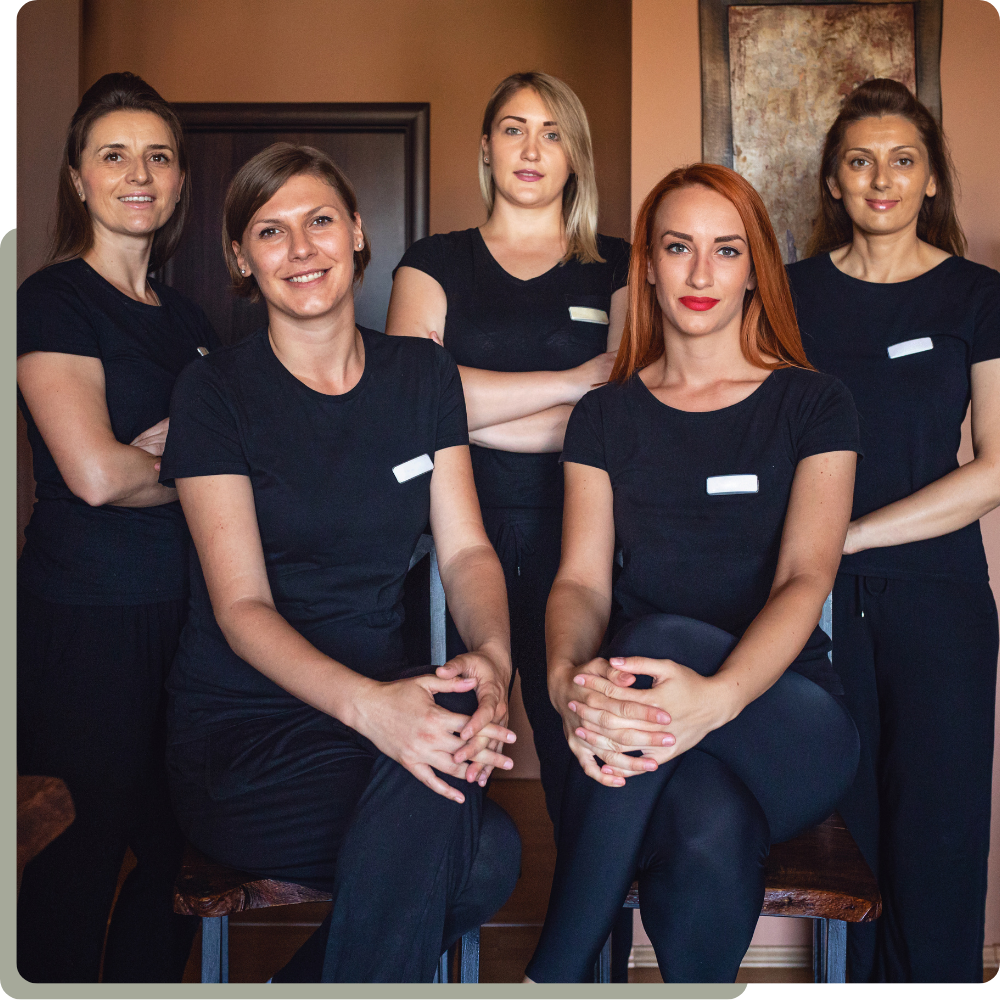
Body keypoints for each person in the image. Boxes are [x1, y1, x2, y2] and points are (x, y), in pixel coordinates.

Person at [159, 142, 521, 983]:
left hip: (384, 711)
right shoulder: (213, 393)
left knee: (467, 817)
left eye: (320, 220)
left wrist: (496, 658)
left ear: (357, 232)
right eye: (270, 231)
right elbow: (241, 609)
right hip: (246, 737)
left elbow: (467, 548)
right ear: (241, 259)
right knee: (480, 853)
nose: (301, 248)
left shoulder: (422, 374)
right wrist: (373, 711)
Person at [523, 164, 862, 983]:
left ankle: (550, 978)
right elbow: (579, 583)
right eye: (679, 248)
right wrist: (565, 680)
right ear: (647, 264)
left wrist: (717, 698)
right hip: (651, 732)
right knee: (706, 823)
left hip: (788, 721)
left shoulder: (815, 404)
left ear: (755, 269)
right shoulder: (605, 415)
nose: (702, 274)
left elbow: (806, 577)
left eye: (727, 250)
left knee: (655, 639)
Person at [787, 78, 1000, 985]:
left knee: (940, 837)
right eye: (861, 161)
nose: (882, 179)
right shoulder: (787, 293)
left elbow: (996, 467)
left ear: (931, 179)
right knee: (844, 834)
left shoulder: (976, 296)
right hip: (815, 601)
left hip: (940, 600)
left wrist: (851, 538)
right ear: (833, 181)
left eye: (903, 161)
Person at [386, 71, 631, 833]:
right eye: (514, 129)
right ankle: (443, 903)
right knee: (454, 747)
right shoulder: (433, 262)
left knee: (584, 753)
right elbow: (404, 402)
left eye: (552, 133)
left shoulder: (620, 265)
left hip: (584, 537)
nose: (531, 148)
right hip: (454, 533)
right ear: (487, 147)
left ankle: (587, 910)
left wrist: (455, 408)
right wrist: (572, 382)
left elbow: (622, 416)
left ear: (575, 155)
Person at [16, 72, 214, 983]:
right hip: (86, 620)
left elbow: (234, 463)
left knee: (180, 856)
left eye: (158, 156)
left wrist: (158, 462)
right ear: (78, 178)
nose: (139, 174)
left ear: (178, 181)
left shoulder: (191, 320)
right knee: (77, 856)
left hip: (188, 617)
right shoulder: (53, 299)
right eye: (114, 155)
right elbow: (93, 477)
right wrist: (192, 466)